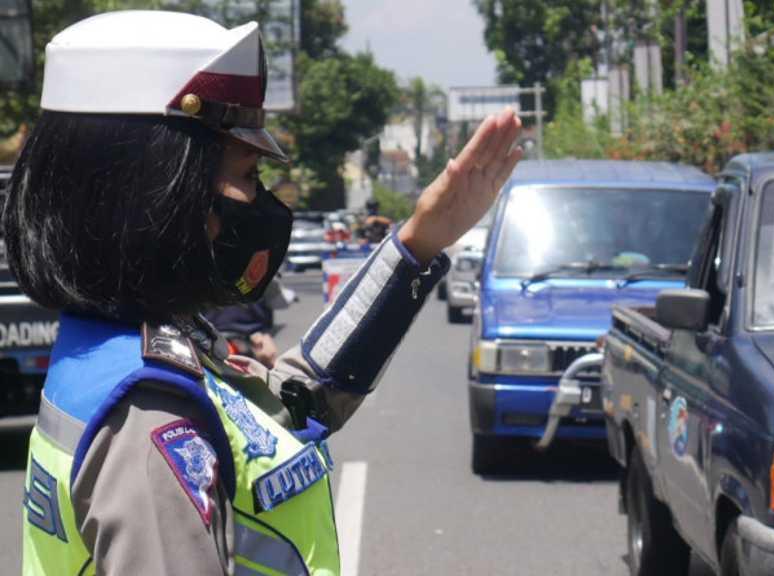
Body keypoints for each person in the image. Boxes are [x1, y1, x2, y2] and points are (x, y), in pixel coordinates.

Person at [13, 11, 522, 575]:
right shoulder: (148, 425)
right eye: (250, 175)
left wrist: (418, 244)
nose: (259, 202)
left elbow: (285, 407)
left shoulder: (121, 355)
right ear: (156, 190)